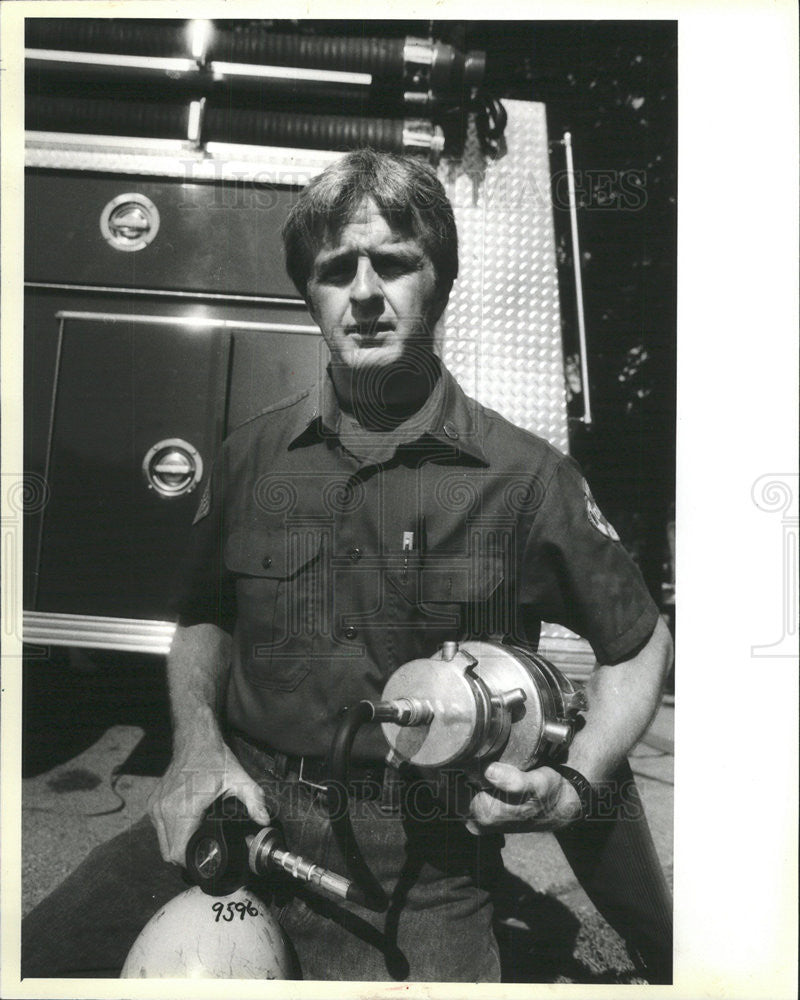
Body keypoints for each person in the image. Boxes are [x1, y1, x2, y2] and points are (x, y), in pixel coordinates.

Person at [21, 149, 673, 982]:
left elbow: (635, 643)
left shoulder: (528, 477)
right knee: (39, 960)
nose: (365, 293)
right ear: (310, 295)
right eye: (336, 271)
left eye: (394, 263)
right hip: (239, 803)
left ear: (438, 281)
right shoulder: (251, 455)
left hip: (422, 852)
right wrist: (195, 750)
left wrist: (578, 785)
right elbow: (203, 619)